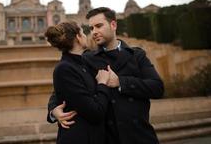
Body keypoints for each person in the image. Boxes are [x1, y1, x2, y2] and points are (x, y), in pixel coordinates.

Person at [47, 7, 164, 144]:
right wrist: (53, 110)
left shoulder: (137, 55)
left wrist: (120, 82)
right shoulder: (87, 59)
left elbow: (157, 88)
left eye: (99, 26)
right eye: (91, 29)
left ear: (113, 25)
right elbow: (62, 89)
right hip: (107, 138)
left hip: (139, 136)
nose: (94, 32)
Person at [45, 21, 115, 144]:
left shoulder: (82, 62)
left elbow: (63, 92)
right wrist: (102, 84)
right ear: (78, 37)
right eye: (83, 32)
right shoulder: (65, 68)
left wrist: (53, 110)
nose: (86, 35)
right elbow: (95, 113)